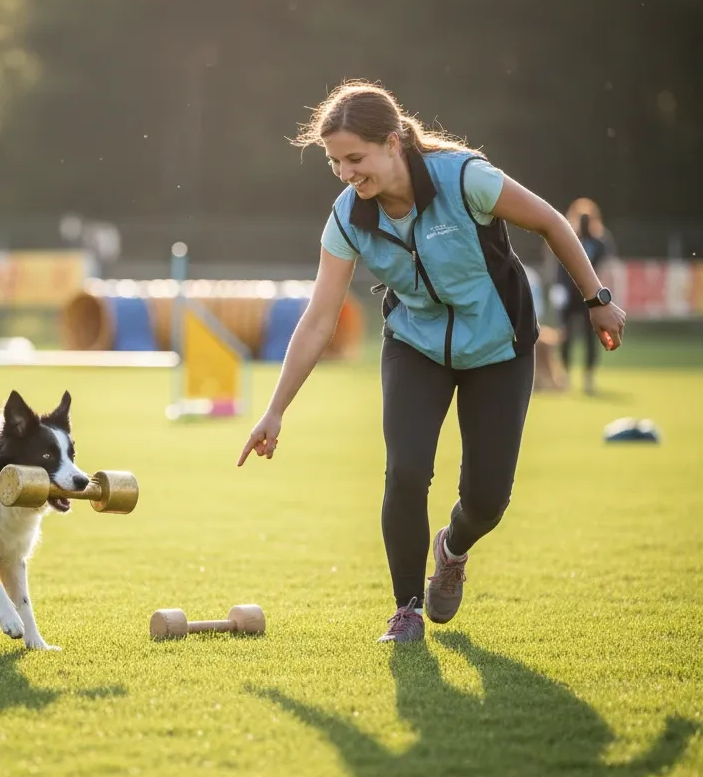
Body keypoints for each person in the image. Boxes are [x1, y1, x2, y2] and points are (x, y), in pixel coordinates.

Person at [237, 81, 626, 643]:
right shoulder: (348, 217)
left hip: (498, 346)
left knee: (489, 499)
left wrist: (596, 301)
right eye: (334, 163)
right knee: (407, 470)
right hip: (415, 345)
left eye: (355, 159)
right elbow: (320, 319)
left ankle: (454, 546)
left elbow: (550, 222)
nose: (345, 174)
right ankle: (406, 610)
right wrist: (274, 410)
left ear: (392, 143)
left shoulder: (464, 177)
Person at [555, 198, 616, 395]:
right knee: (566, 335)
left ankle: (588, 376)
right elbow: (557, 264)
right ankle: (564, 374)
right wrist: (558, 288)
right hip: (569, 295)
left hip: (591, 296)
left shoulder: (600, 242)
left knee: (592, 336)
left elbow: (605, 268)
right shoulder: (568, 237)